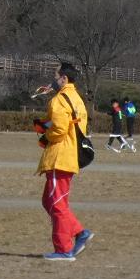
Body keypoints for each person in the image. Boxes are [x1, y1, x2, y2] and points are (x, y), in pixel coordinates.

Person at [36, 62, 90, 261]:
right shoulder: (77, 98)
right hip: (69, 156)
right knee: (49, 200)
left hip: (60, 157)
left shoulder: (58, 100)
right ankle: (79, 232)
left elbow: (58, 130)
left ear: (63, 79)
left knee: (56, 203)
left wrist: (44, 134)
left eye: (55, 75)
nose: (52, 79)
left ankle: (64, 249)